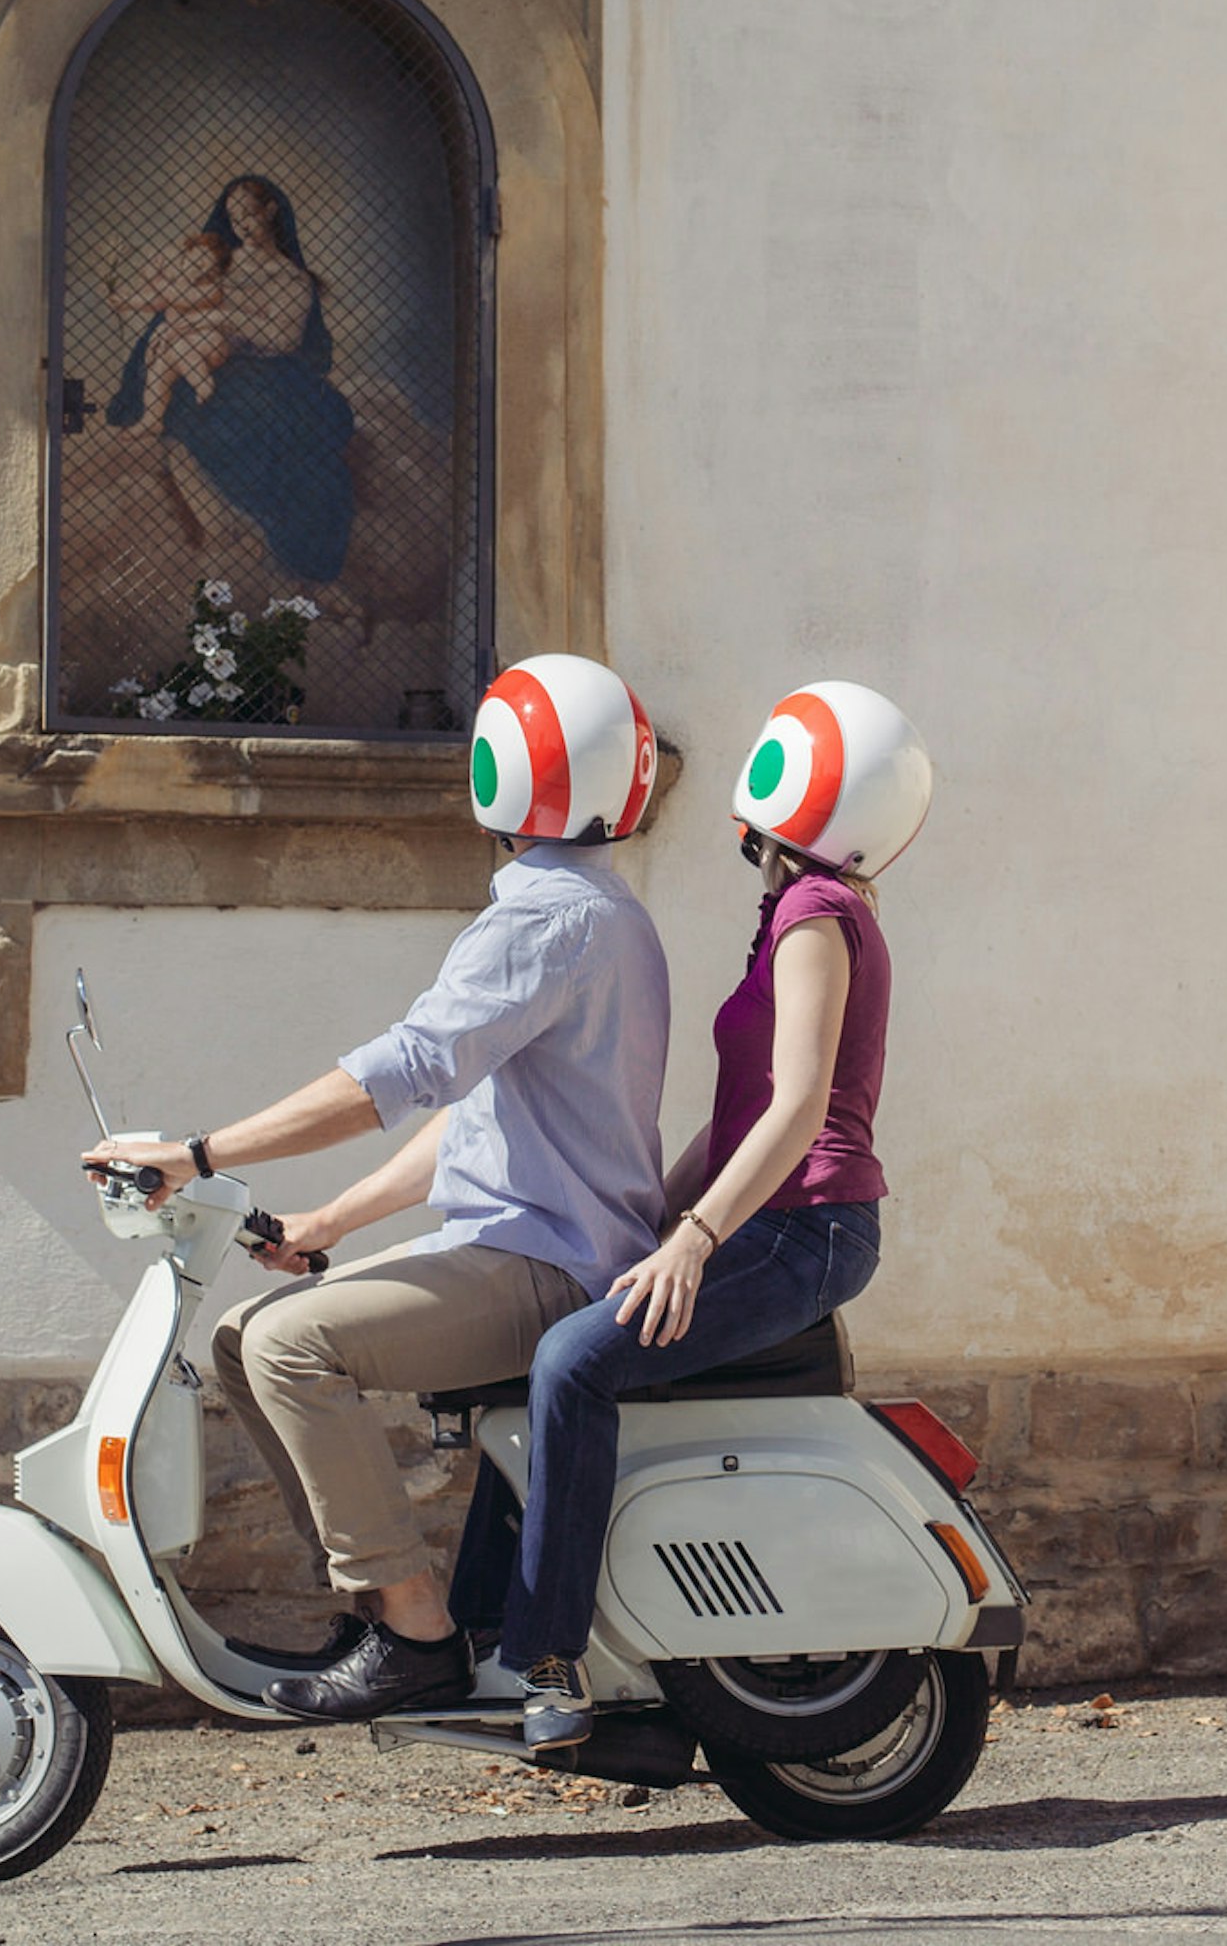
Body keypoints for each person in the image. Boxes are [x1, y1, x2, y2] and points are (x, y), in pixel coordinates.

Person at [83, 652, 668, 1721]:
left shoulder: (543, 917)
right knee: (241, 1336)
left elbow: (398, 1076)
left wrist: (200, 1153)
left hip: (551, 1267)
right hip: (530, 1247)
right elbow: (474, 1121)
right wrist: (326, 1220)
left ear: (498, 772)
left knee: (286, 1343)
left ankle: (412, 1631)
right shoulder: (592, 908)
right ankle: (381, 1611)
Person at [491, 679, 937, 1755]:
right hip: (782, 1219)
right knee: (548, 1354)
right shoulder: (807, 912)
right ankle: (502, 1629)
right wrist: (657, 1218)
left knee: (571, 1361)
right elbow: (742, 1122)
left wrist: (693, 1238)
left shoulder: (815, 916)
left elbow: (795, 1113)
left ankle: (551, 1660)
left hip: (804, 1231)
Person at [106, 172, 357, 583]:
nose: (239, 224)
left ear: (270, 211)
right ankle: (217, 529)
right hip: (208, 359)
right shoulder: (221, 261)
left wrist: (226, 318)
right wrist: (166, 331)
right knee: (185, 401)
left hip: (267, 370)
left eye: (248, 214)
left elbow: (282, 339)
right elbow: (185, 298)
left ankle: (263, 535)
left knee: (276, 430)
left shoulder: (291, 279)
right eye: (232, 216)